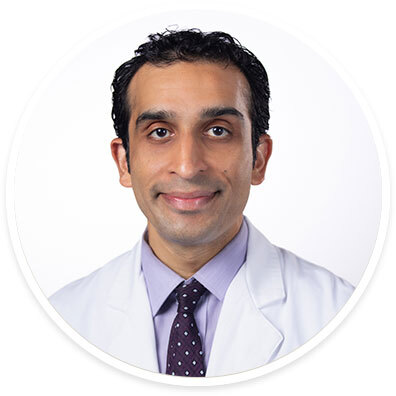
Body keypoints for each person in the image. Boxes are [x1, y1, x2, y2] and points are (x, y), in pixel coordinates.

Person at [49, 28, 354, 377]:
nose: (188, 166)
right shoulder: (60, 320)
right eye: (160, 132)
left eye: (217, 130)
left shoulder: (343, 315)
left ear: (258, 159)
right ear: (124, 162)